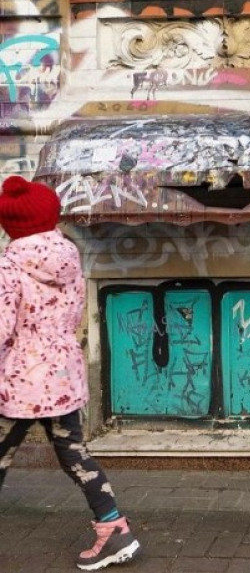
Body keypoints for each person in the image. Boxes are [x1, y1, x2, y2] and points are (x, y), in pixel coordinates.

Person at [0, 175, 140, 570]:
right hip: (61, 377)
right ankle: (114, 528)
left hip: (20, 382)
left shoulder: (8, 267)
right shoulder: (69, 257)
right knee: (74, 453)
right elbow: (73, 316)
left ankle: (114, 530)